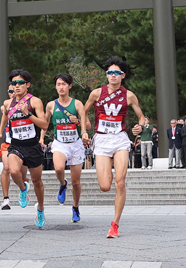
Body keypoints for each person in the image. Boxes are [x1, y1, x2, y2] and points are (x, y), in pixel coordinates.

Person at [83, 57, 145, 238]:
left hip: (120, 140)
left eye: (116, 73)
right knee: (104, 186)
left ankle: (115, 224)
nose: (113, 76)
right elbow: (84, 110)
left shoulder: (129, 95)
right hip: (101, 140)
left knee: (120, 182)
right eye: (110, 72)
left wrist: (140, 127)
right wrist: (84, 129)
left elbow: (141, 117)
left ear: (123, 76)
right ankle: (108, 166)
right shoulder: (96, 93)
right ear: (106, 75)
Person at [0, 70, 48, 228]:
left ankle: (40, 209)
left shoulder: (35, 102)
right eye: (14, 83)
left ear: (28, 85)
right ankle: (22, 188)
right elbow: (5, 118)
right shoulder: (8, 103)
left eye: (20, 83)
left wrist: (28, 115)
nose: (17, 86)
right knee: (13, 170)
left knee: (37, 181)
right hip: (16, 145)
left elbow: (44, 124)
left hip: (32, 146)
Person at [44, 73, 90, 223]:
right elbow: (44, 124)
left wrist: (79, 126)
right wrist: (40, 138)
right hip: (60, 143)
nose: (61, 87)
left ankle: (75, 207)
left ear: (70, 86)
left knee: (76, 182)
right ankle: (63, 184)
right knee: (58, 168)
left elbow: (87, 125)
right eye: (58, 84)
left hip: (75, 144)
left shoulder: (77, 104)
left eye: (64, 84)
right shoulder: (51, 105)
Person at [0, 85, 28, 211]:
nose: (13, 93)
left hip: (23, 143)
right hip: (8, 143)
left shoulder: (27, 103)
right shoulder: (6, 105)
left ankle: (23, 187)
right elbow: (3, 108)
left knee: (21, 174)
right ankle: (6, 198)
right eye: (10, 91)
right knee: (7, 168)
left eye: (15, 90)